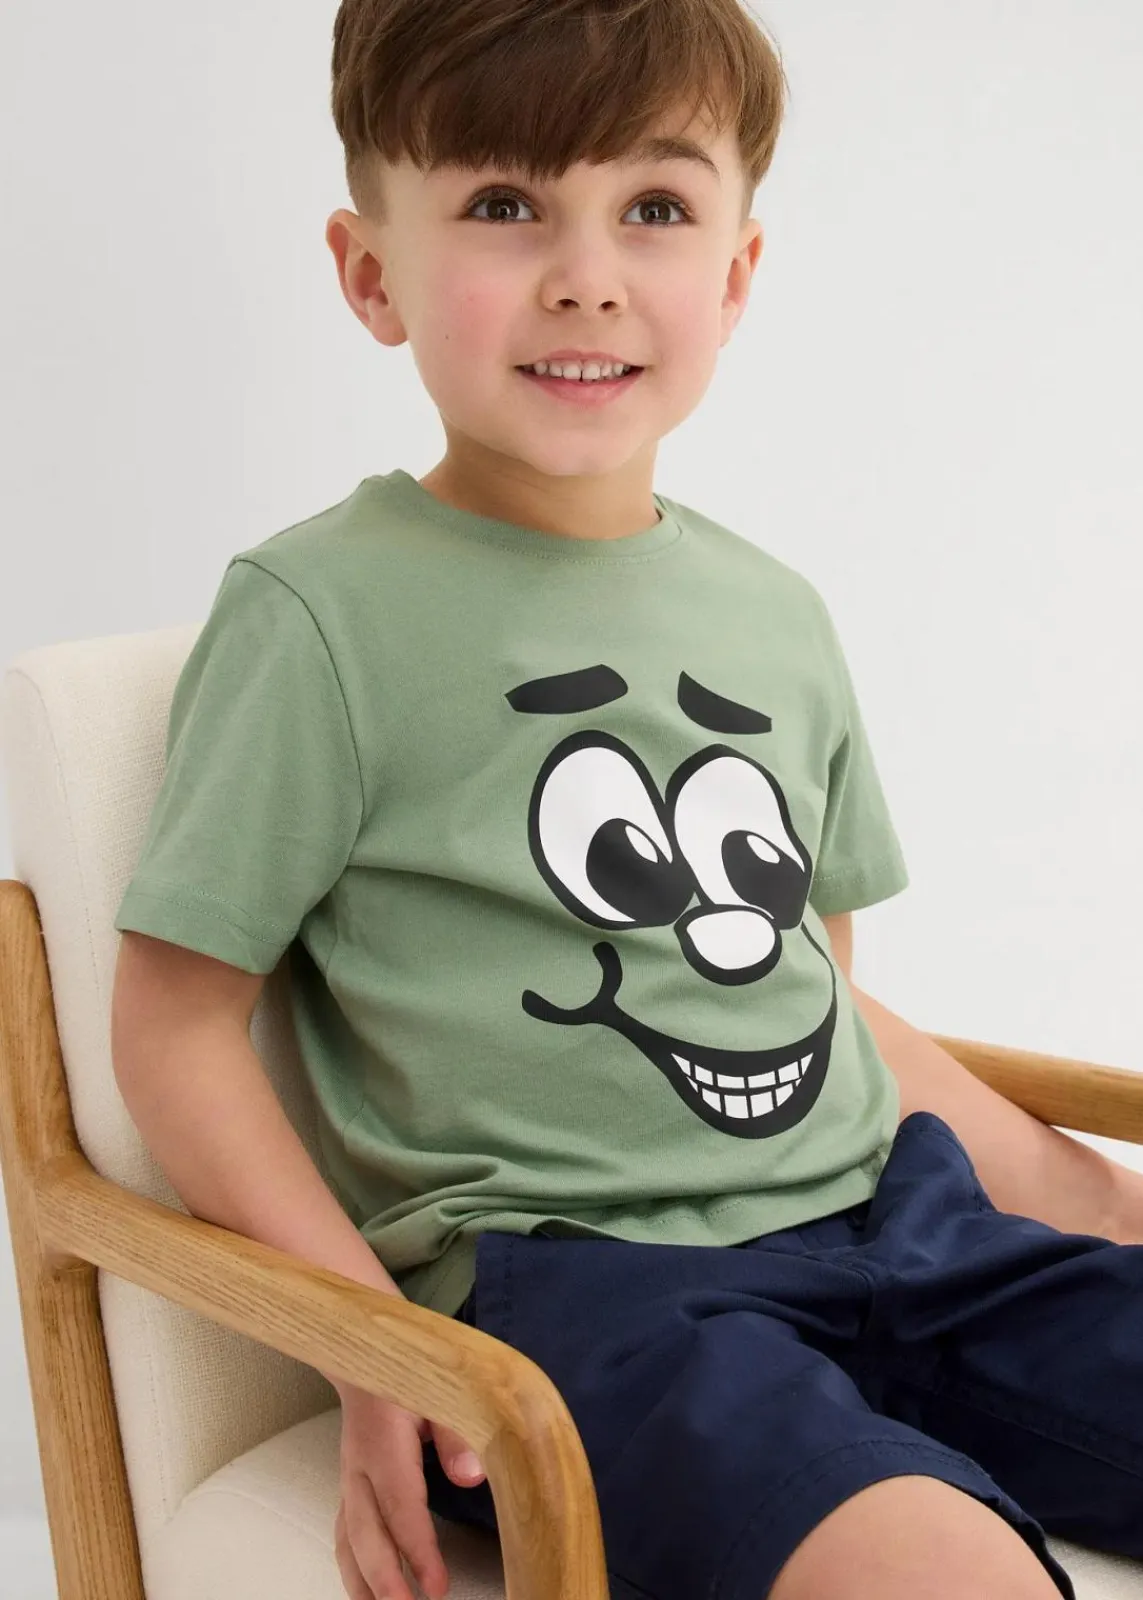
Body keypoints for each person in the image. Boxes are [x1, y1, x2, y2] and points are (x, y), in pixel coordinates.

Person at [108, 4, 1143, 1599]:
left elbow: (812, 999)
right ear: (370, 273)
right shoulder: (321, 617)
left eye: (653, 206)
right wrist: (364, 1343)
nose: (586, 275)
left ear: (733, 273)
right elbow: (175, 1029)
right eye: (504, 204)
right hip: (585, 1304)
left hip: (898, 1230)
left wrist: (1079, 1195)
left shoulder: (775, 614)